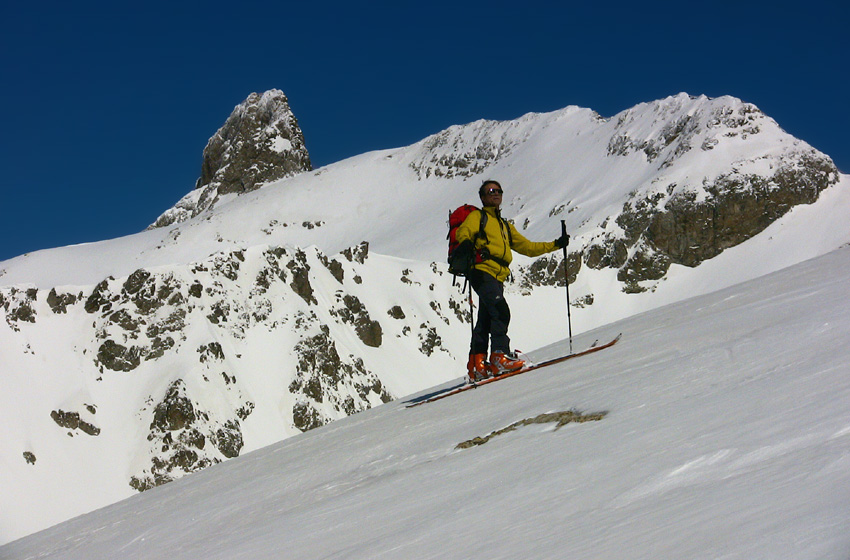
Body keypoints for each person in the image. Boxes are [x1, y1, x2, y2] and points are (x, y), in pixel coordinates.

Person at [455, 180, 569, 381]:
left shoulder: (504, 225)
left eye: (498, 191)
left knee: (486, 318)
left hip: (497, 275)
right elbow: (464, 231)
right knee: (500, 310)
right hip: (482, 271)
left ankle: (477, 364)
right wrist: (464, 243)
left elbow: (527, 247)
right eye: (490, 191)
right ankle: (500, 355)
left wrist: (556, 245)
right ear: (482, 197)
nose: (496, 194)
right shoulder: (477, 217)